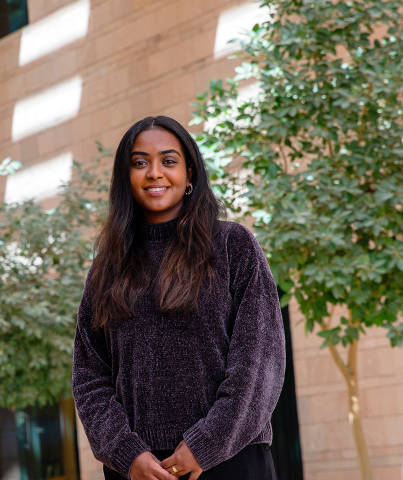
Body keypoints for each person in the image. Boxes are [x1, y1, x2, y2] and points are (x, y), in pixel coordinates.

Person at [72, 116, 285, 480]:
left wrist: (205, 444)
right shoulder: (106, 268)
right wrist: (126, 454)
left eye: (168, 161)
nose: (154, 173)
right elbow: (90, 376)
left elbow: (260, 360)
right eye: (140, 163)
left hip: (230, 460)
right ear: (126, 178)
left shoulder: (234, 246)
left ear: (190, 175)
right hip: (139, 471)